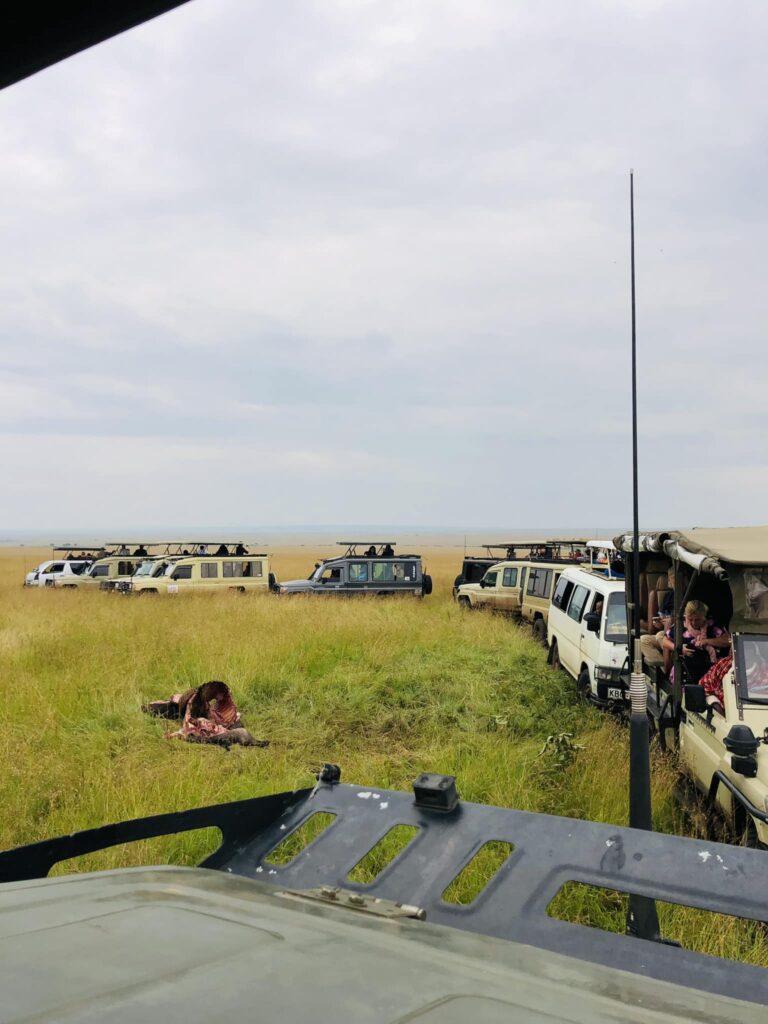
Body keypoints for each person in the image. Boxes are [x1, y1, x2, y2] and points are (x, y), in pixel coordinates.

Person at [663, 599, 730, 684]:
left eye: (697, 620)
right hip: (687, 668)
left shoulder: (712, 625)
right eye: (690, 619)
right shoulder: (680, 625)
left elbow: (727, 640)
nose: (694, 623)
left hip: (711, 666)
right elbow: (665, 641)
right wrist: (679, 648)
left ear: (704, 617)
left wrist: (707, 641)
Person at [640, 568, 675, 666]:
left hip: (679, 631)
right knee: (643, 640)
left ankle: (670, 665)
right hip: (666, 629)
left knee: (660, 635)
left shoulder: (687, 595)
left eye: (671, 578)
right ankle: (664, 665)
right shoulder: (668, 595)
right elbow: (661, 616)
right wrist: (659, 623)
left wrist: (671, 622)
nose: (669, 581)